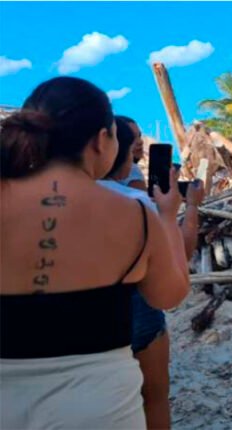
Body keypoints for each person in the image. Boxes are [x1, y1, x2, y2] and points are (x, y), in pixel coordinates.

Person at [0, 77, 190, 429]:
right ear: (102, 139)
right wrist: (167, 215)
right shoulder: (133, 212)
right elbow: (168, 295)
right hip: (100, 404)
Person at [100, 116, 204, 429]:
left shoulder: (63, 202)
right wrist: (185, 210)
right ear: (106, 146)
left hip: (80, 316)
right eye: (135, 149)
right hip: (137, 308)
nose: (141, 155)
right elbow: (176, 273)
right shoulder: (136, 205)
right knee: (154, 397)